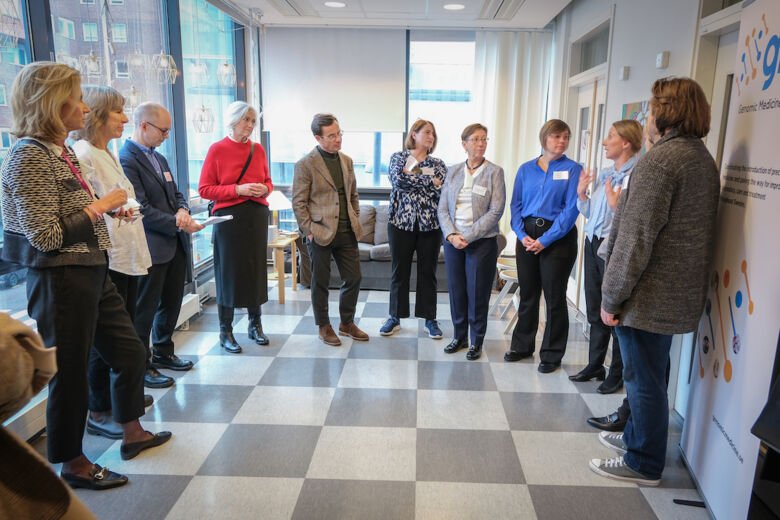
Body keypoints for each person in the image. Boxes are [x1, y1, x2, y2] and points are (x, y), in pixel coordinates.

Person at [0, 62, 170, 490]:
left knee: (130, 351)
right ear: (53, 104)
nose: (83, 106)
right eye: (76, 98)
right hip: (61, 279)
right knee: (70, 374)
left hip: (92, 269)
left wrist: (103, 208)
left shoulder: (59, 151)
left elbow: (69, 216)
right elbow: (44, 235)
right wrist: (99, 206)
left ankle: (132, 432)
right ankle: (72, 464)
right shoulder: (27, 155)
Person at [590, 77, 720, 486]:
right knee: (651, 372)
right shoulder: (699, 157)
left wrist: (611, 297)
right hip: (671, 295)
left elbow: (635, 238)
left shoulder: (662, 161)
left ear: (665, 112)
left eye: (650, 108)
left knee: (641, 378)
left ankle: (643, 461)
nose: (645, 116)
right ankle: (635, 436)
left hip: (647, 296)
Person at [73, 85, 155, 439]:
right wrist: (112, 205)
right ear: (96, 114)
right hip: (111, 257)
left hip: (128, 251)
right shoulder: (83, 152)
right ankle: (100, 409)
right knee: (106, 342)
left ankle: (123, 403)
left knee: (127, 337)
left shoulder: (108, 152)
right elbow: (91, 206)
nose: (125, 118)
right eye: (118, 112)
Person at [121, 103, 203, 388]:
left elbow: (177, 193)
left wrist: (182, 210)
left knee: (171, 303)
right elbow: (140, 208)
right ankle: (142, 366)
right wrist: (176, 221)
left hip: (174, 244)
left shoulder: (160, 158)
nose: (167, 135)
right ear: (143, 126)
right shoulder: (127, 159)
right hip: (152, 247)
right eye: (163, 130)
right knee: (144, 311)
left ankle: (164, 353)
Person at [570, 120, 643, 394]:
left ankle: (617, 373)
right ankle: (595, 365)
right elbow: (592, 214)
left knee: (613, 315)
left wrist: (616, 206)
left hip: (612, 250)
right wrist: (581, 195)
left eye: (610, 136)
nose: (604, 141)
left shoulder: (636, 175)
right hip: (591, 243)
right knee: (594, 310)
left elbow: (630, 221)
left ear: (625, 142)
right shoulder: (604, 174)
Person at [505, 119, 580, 373]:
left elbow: (571, 210)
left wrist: (545, 240)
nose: (561, 142)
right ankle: (522, 346)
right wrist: (521, 233)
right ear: (544, 138)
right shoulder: (526, 169)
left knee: (554, 297)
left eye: (565, 138)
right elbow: (515, 205)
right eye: (557, 137)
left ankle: (551, 353)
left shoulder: (573, 169)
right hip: (526, 233)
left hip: (558, 237)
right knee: (528, 292)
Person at [199, 101, 273, 353]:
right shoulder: (217, 149)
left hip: (256, 215)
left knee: (255, 270)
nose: (251, 126)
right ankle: (225, 330)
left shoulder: (258, 150)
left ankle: (255, 324)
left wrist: (265, 188)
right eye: (246, 120)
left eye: (253, 120)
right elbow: (205, 189)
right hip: (228, 218)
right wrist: (237, 190)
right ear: (233, 121)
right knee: (228, 273)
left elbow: (268, 182)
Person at [292, 113, 368, 347]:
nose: (338, 139)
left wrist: (354, 216)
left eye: (339, 133)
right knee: (321, 282)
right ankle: (323, 326)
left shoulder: (347, 161)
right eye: (332, 136)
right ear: (318, 137)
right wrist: (309, 230)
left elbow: (353, 194)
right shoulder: (306, 164)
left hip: (347, 231)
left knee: (354, 278)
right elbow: (298, 202)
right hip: (320, 232)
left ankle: (347, 323)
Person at [438, 123, 505, 360]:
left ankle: (476, 341)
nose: (481, 144)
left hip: (481, 242)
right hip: (453, 242)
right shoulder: (453, 171)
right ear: (464, 143)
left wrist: (467, 236)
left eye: (484, 139)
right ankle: (459, 336)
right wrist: (451, 235)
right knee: (457, 291)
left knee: (478, 292)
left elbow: (496, 211)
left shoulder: (494, 172)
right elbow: (443, 208)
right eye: (475, 139)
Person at [379, 119, 446, 339]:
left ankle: (430, 319)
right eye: (427, 132)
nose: (431, 137)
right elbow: (398, 181)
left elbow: (441, 189)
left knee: (428, 273)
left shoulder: (438, 163)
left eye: (433, 134)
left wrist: (414, 176)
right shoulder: (398, 158)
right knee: (400, 271)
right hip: (400, 224)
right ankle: (395, 317)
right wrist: (429, 181)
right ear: (414, 134)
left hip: (430, 226)